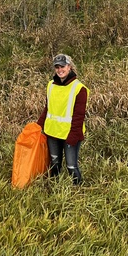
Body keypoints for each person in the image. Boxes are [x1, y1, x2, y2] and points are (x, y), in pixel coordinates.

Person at [37, 54, 89, 185]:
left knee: (71, 166)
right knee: (54, 163)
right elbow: (47, 108)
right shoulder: (51, 85)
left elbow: (79, 116)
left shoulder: (79, 89)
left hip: (70, 134)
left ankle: (78, 191)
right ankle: (54, 189)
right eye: (57, 67)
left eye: (63, 66)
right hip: (52, 132)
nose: (60, 70)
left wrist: (73, 137)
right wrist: (38, 126)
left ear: (69, 67)